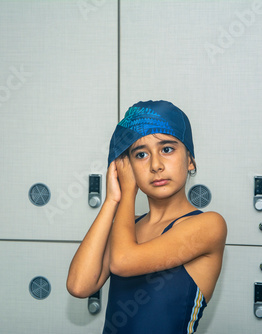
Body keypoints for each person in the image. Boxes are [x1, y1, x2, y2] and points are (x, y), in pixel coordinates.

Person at [67, 100, 227, 333]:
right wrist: (113, 199)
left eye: (167, 149)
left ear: (190, 159)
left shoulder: (208, 225)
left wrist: (129, 192)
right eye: (140, 154)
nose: (155, 165)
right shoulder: (127, 227)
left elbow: (122, 262)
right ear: (127, 167)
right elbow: (79, 285)